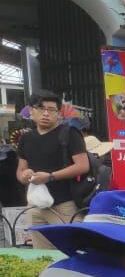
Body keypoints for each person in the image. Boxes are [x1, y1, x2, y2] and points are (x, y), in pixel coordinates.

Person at [16, 93, 90, 249]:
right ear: (31, 111)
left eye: (51, 110)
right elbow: (20, 170)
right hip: (35, 205)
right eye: (41, 108)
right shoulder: (25, 139)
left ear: (58, 113)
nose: (46, 113)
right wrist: (24, 175)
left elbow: (83, 165)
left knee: (72, 251)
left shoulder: (69, 133)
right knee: (41, 255)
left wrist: (50, 177)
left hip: (65, 204)